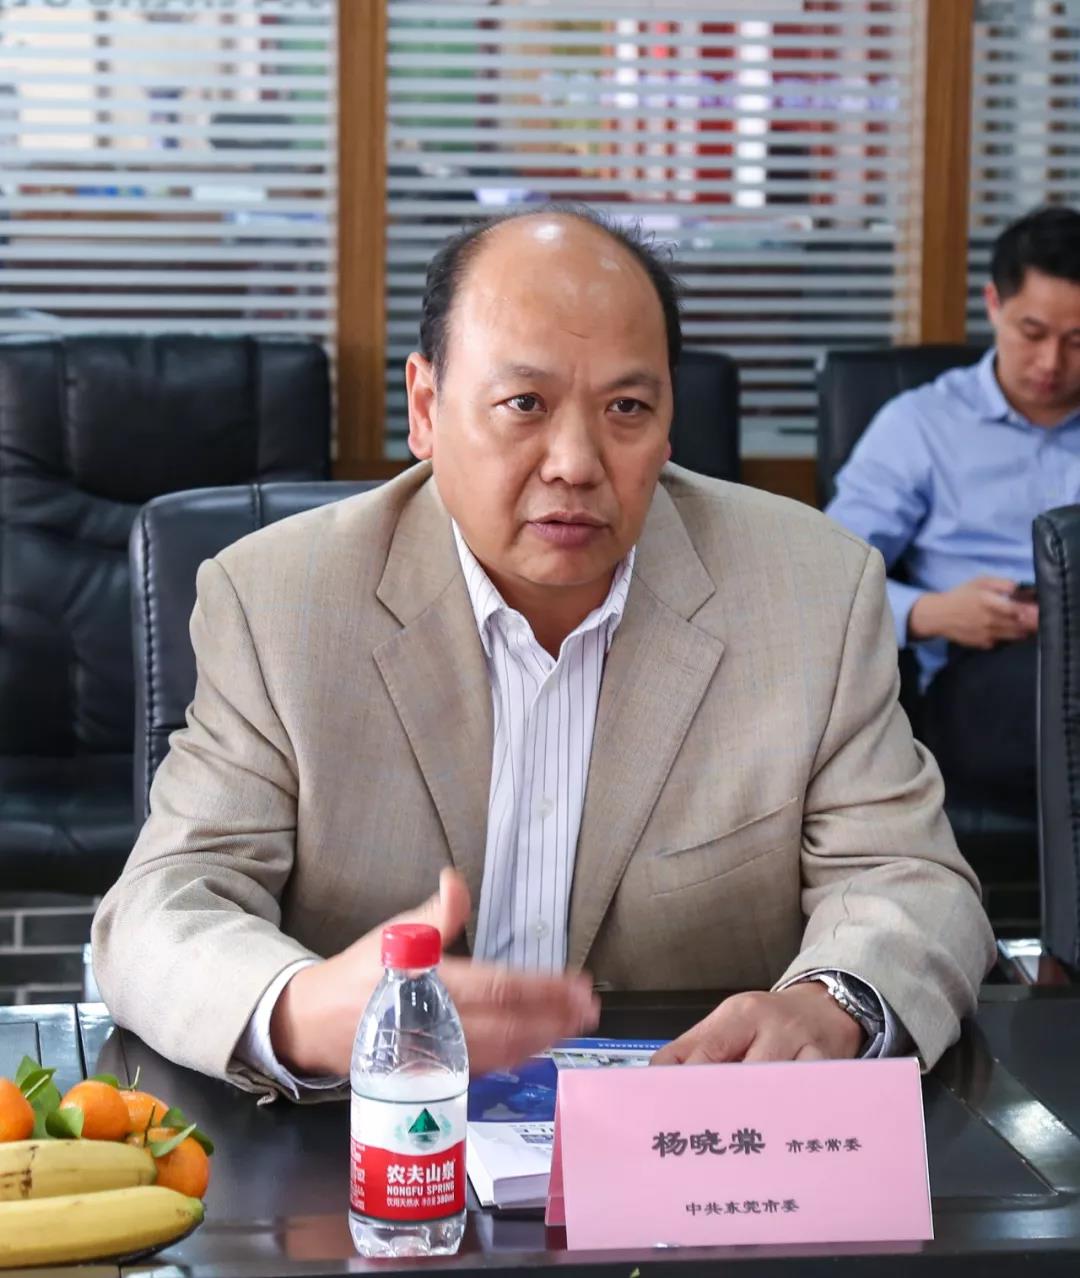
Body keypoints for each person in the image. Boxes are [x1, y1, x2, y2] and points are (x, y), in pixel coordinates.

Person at [92, 204, 993, 1100]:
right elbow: (162, 906)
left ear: (669, 424)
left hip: (688, 1135)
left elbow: (909, 878)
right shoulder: (280, 602)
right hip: (373, 1143)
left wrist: (836, 1003)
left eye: (627, 408)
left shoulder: (810, 593)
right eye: (524, 403)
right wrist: (297, 1009)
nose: (575, 462)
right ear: (425, 408)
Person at [827, 205, 1080, 818]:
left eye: (1078, 341)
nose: (1051, 363)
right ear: (994, 304)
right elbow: (825, 573)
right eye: (1033, 333)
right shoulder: (920, 425)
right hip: (981, 676)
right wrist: (930, 612)